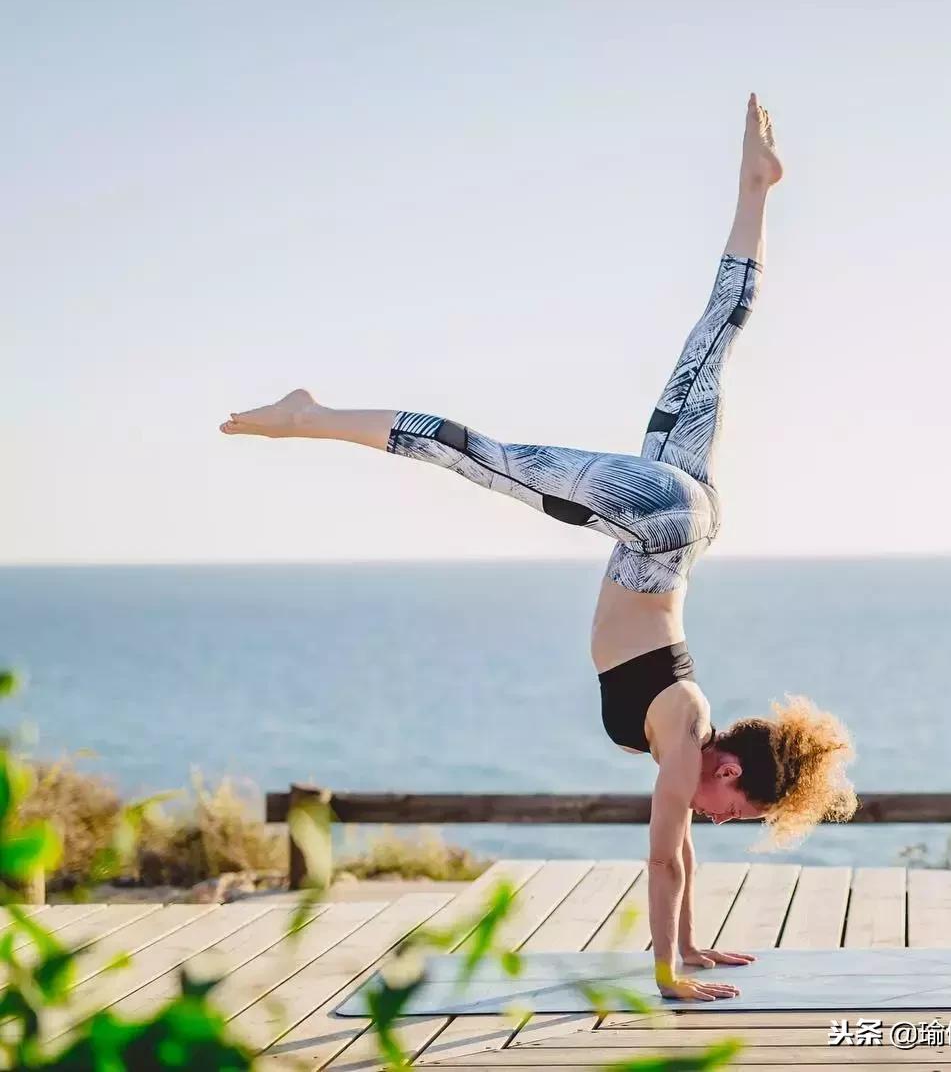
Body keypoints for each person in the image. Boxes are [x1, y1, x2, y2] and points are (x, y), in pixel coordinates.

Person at [220, 93, 856, 1001]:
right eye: (736, 809)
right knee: (487, 458)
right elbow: (666, 859)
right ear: (724, 770)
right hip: (659, 517)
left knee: (712, 343)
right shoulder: (684, 732)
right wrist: (672, 973)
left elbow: (679, 848)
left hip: (684, 519)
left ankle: (756, 187)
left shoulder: (688, 724)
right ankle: (310, 416)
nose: (716, 818)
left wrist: (694, 948)